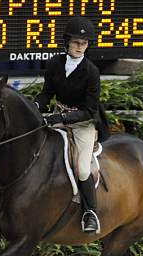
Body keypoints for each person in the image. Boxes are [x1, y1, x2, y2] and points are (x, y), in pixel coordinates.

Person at [34, 17, 109, 234]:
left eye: (84, 43)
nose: (79, 47)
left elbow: (89, 109)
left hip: (83, 124)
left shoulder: (91, 72)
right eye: (76, 42)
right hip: (58, 115)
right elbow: (47, 93)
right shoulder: (54, 63)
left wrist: (61, 119)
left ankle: (90, 213)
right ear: (66, 42)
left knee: (82, 168)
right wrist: (36, 106)